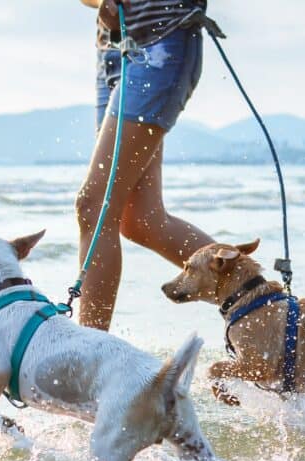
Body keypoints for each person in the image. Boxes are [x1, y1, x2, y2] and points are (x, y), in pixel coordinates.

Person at [76, 0, 215, 331]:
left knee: (94, 206)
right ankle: (268, 304)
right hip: (113, 54)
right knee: (142, 221)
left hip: (162, 42)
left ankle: (87, 351)